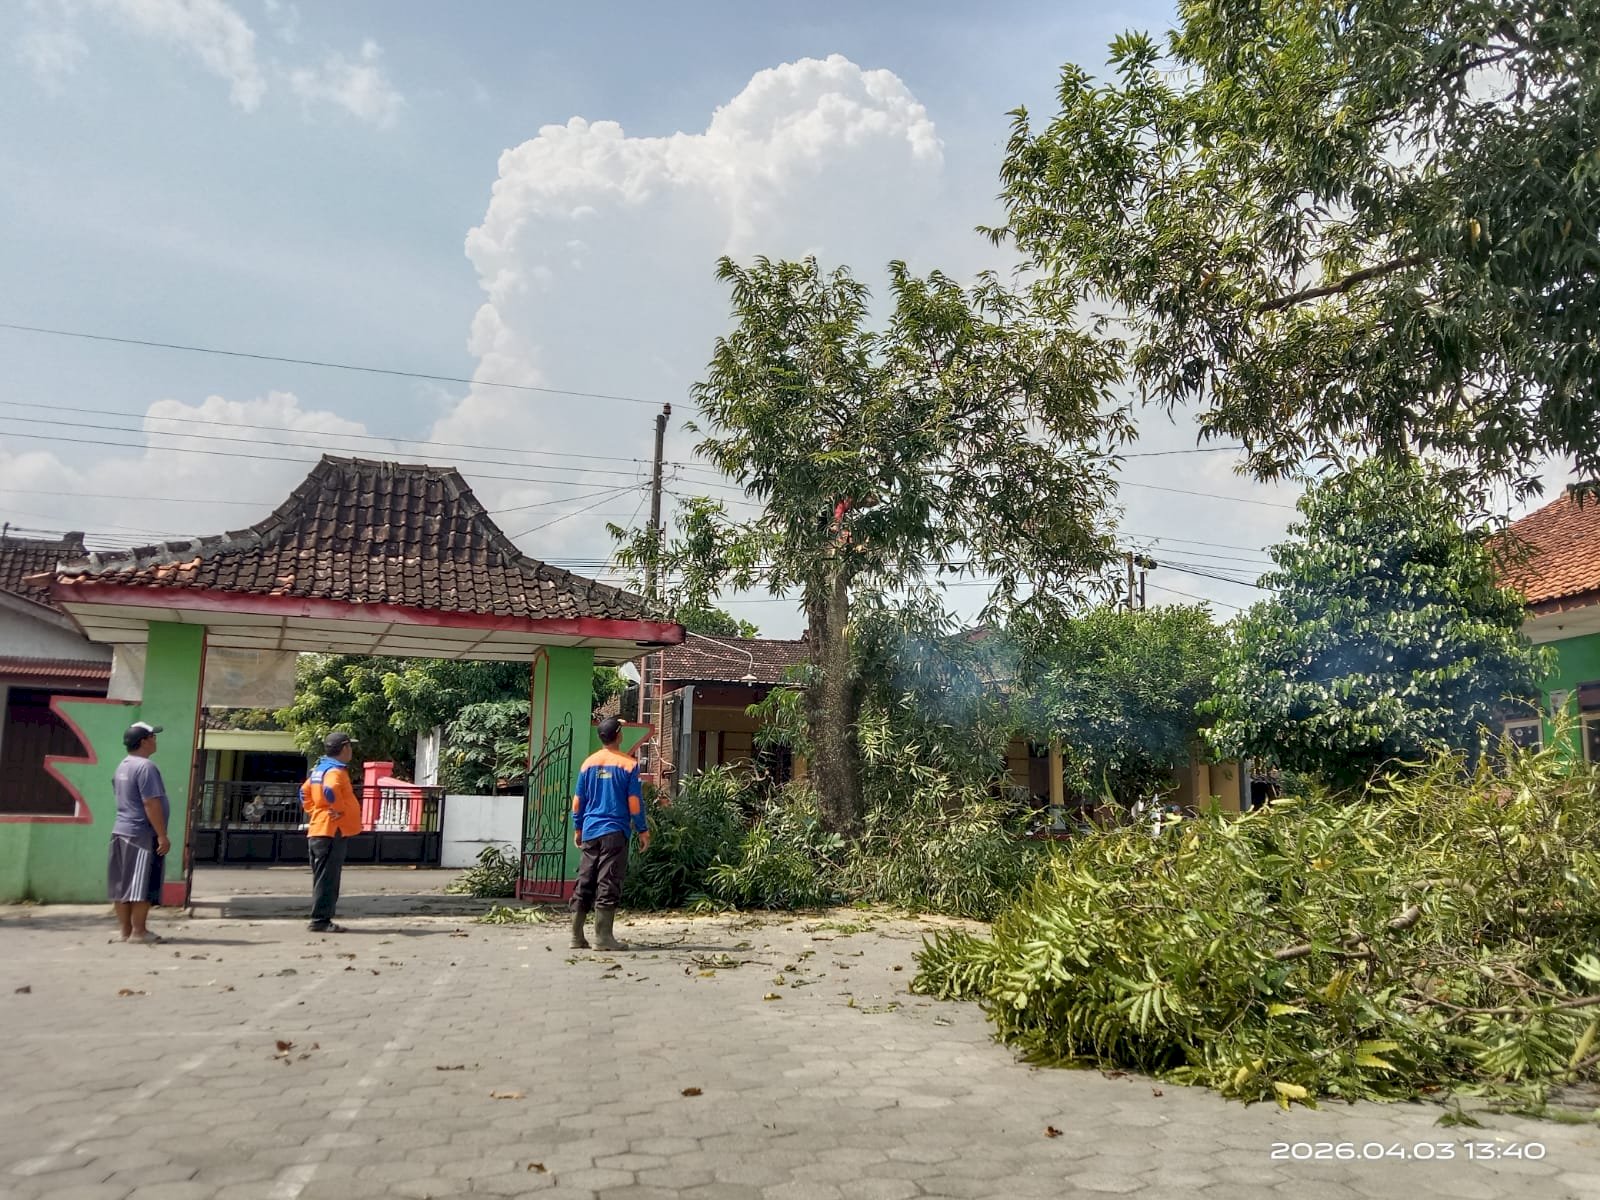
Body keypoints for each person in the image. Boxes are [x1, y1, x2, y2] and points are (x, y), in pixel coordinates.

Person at [570, 716, 649, 951]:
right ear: (619, 735)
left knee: (585, 879)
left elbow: (577, 802)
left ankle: (576, 937)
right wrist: (643, 829)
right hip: (615, 832)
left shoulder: (588, 763)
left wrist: (578, 828)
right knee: (608, 880)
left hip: (591, 830)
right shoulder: (628, 764)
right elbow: (634, 803)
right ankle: (603, 937)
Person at [108, 721, 171, 944]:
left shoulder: (123, 765)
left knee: (121, 884)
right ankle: (139, 932)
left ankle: (125, 931)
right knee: (139, 885)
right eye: (152, 736)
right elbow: (150, 803)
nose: (155, 740)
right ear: (143, 741)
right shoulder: (146, 767)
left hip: (121, 830)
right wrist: (162, 834)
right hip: (141, 833)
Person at [301, 731, 362, 934]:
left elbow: (303, 791)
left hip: (320, 828)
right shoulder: (335, 772)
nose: (351, 750)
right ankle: (320, 920)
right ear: (344, 748)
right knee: (328, 878)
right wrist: (339, 809)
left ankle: (320, 918)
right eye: (350, 746)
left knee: (322, 876)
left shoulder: (319, 770)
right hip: (331, 831)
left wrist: (313, 810)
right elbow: (330, 790)